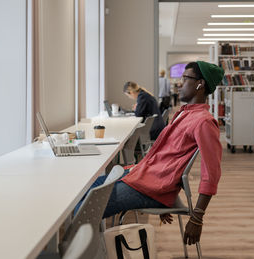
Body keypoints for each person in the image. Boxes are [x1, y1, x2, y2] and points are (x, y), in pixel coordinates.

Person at [76, 61, 223, 246]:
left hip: (150, 187)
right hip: (143, 178)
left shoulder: (204, 122)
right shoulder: (184, 114)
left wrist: (197, 218)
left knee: (85, 208)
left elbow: (212, 173)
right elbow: (167, 157)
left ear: (200, 84)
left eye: (185, 78)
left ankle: (85, 252)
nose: (179, 83)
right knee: (82, 192)